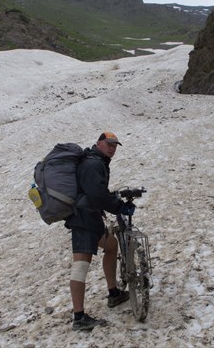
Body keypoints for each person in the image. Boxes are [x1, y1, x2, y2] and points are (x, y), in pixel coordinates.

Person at [65, 131, 136, 331]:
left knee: (111, 245)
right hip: (83, 219)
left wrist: (114, 199)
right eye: (109, 144)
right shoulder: (92, 164)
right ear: (98, 143)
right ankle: (79, 318)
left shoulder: (98, 162)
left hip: (90, 217)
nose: (112, 148)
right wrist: (119, 206)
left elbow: (96, 191)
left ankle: (114, 293)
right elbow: (96, 194)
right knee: (81, 265)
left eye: (115, 145)